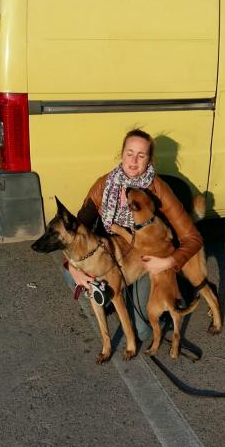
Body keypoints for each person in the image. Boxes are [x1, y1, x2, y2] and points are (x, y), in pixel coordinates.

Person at [66, 129, 203, 340]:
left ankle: (174, 294)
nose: (134, 161)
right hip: (113, 257)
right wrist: (73, 268)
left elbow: (193, 239)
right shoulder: (104, 184)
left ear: (149, 159)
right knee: (71, 274)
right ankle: (114, 293)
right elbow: (73, 231)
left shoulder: (158, 189)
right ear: (121, 154)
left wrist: (166, 263)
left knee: (142, 331)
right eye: (129, 153)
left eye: (141, 155)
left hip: (145, 258)